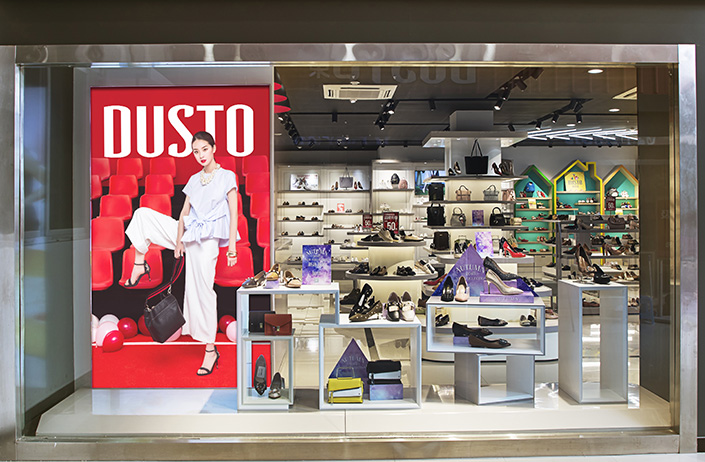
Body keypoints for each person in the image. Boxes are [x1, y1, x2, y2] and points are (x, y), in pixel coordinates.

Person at [124, 131, 239, 376]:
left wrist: (231, 248)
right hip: (187, 232)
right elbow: (184, 213)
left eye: (204, 149)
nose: (201, 155)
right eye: (196, 151)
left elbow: (233, 213)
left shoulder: (227, 176)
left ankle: (210, 350)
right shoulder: (194, 179)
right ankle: (139, 263)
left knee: (203, 292)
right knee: (143, 215)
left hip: (207, 240)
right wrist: (178, 242)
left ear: (213, 148)